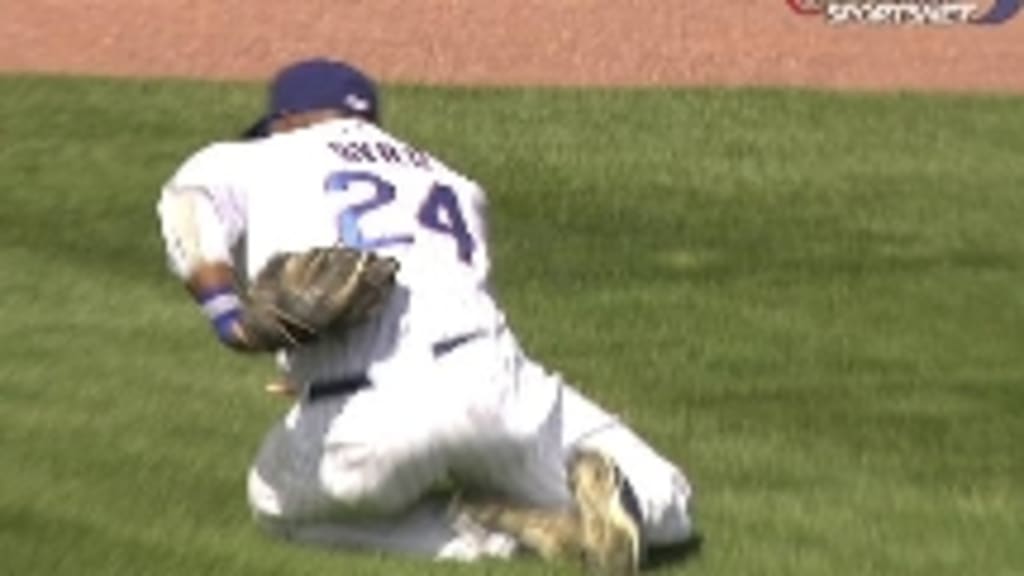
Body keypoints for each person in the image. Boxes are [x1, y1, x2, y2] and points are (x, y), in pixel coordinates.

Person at [156, 57, 695, 573]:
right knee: (664, 501)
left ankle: (493, 538)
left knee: (275, 504)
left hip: (374, 416)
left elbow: (188, 211)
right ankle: (616, 514)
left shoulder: (249, 157)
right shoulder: (454, 181)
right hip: (501, 390)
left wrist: (230, 318)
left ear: (286, 119)